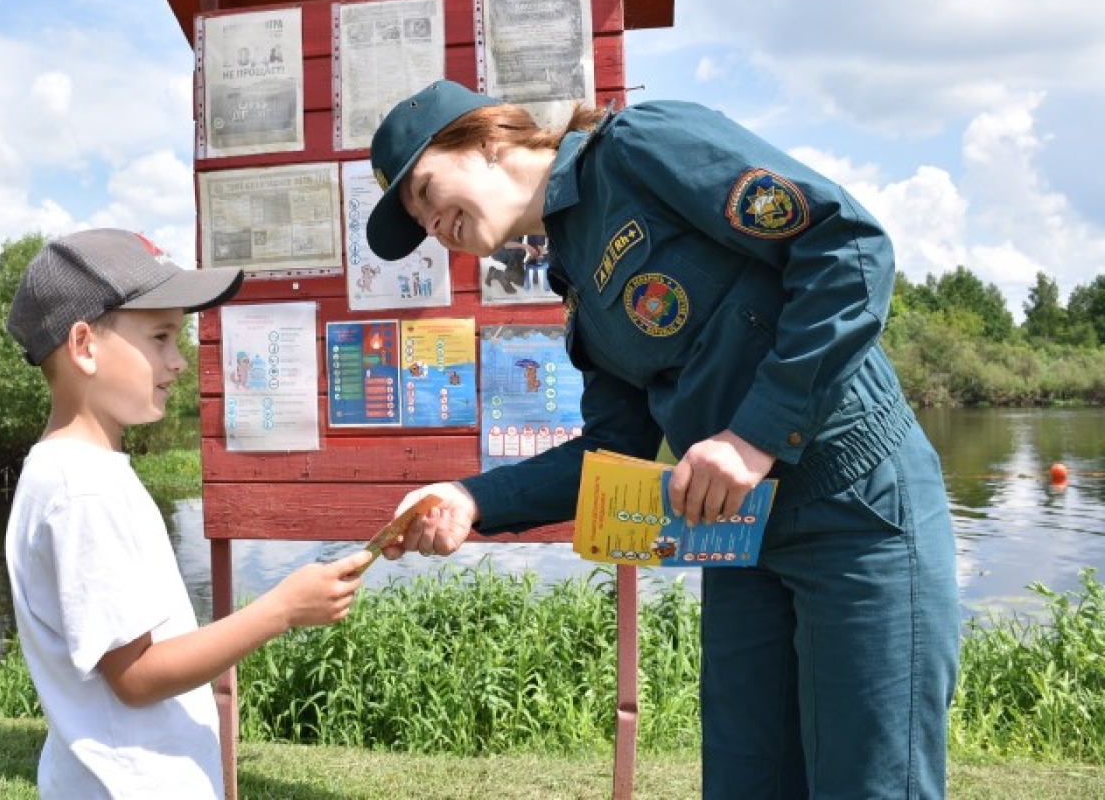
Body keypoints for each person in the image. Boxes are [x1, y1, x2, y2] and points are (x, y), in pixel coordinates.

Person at [366, 80, 960, 799]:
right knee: (748, 783)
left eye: (427, 190)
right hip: (745, 537)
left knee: (872, 784)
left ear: (488, 139)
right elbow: (611, 452)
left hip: (858, 506)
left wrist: (752, 438)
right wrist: (468, 497)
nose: (431, 222)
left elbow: (846, 249)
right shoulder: (577, 286)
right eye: (417, 218)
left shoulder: (641, 150)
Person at [4, 228, 371, 799]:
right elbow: (136, 677)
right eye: (160, 337)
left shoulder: (77, 471)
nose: (178, 362)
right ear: (84, 346)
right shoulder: (84, 491)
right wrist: (282, 609)